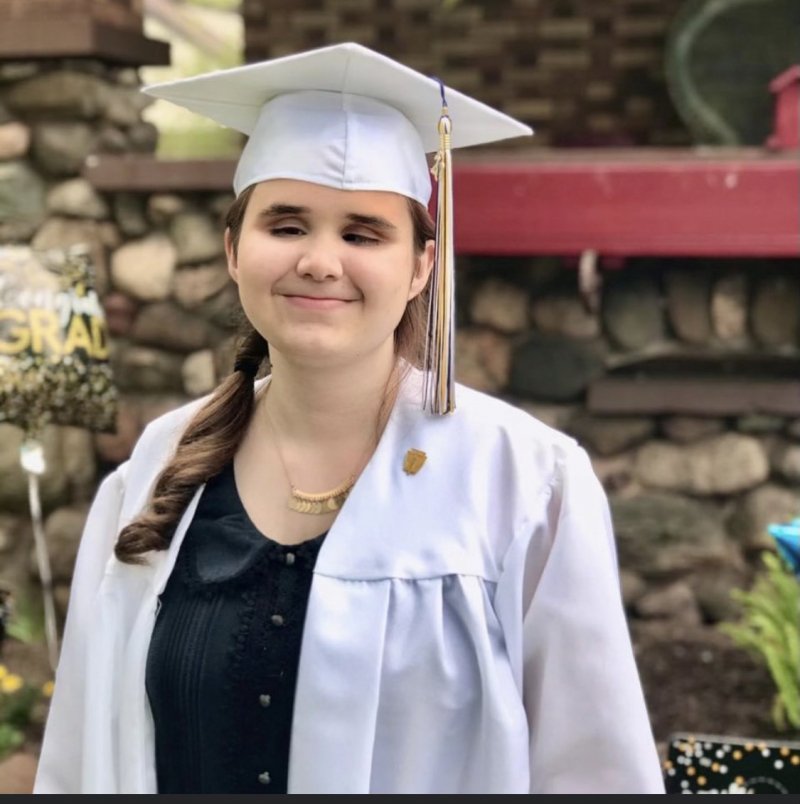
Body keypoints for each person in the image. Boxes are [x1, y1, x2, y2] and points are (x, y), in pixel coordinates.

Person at [34, 43, 665, 794]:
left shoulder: (523, 481)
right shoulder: (158, 464)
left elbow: (593, 770)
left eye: (363, 233)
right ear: (234, 249)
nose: (320, 261)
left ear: (422, 266)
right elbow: (80, 754)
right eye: (287, 225)